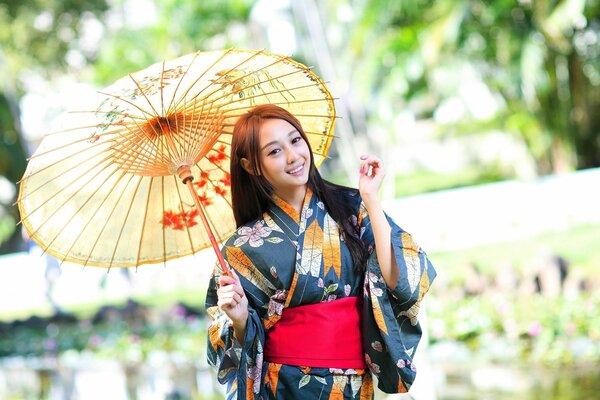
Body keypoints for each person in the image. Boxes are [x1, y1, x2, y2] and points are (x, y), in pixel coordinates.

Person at [205, 104, 436, 399]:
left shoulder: (351, 208)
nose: (292, 156)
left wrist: (370, 199)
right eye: (274, 151)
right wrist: (238, 321)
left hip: (352, 383)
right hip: (284, 386)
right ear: (251, 166)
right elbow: (221, 345)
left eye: (295, 140)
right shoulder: (242, 248)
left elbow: (396, 281)